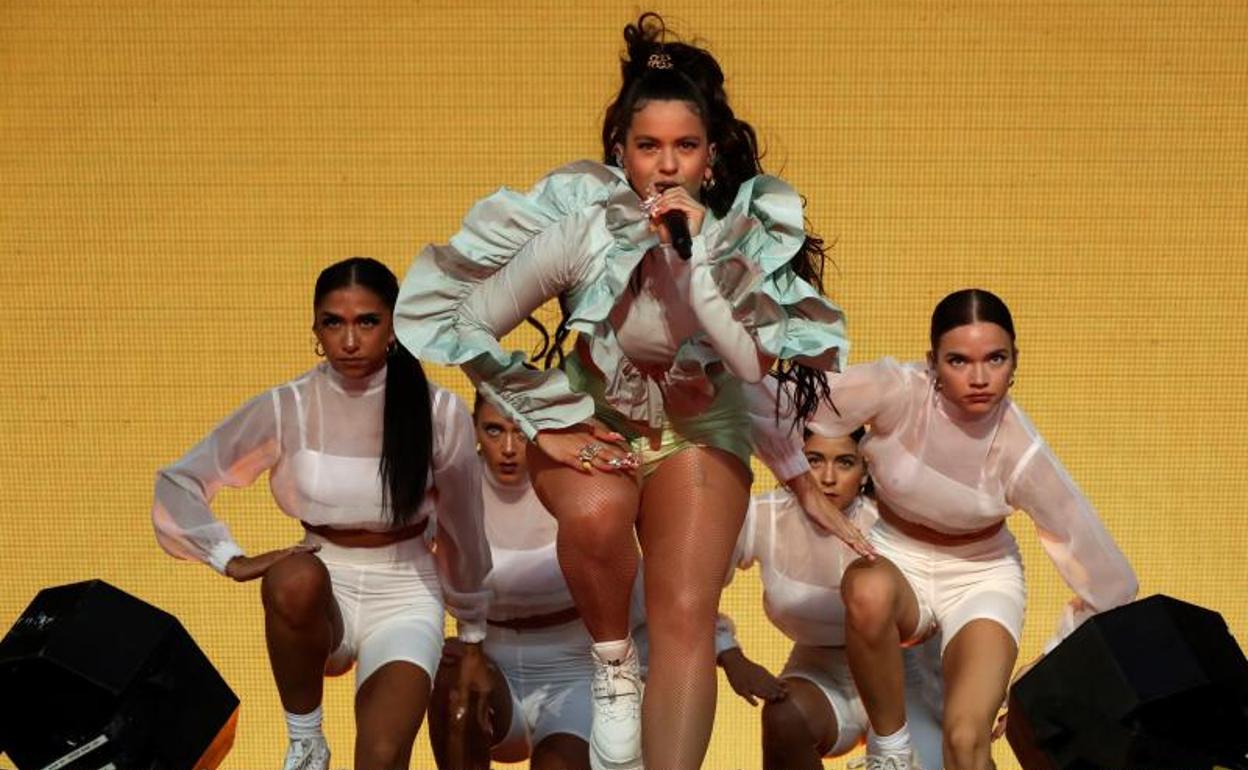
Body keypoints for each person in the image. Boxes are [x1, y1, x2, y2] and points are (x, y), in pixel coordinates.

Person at [394, 14, 865, 769]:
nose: (667, 166)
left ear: (709, 160)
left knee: (685, 616)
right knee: (597, 510)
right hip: (594, 418)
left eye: (685, 147)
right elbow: (454, 319)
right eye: (649, 147)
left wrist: (700, 252)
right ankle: (614, 667)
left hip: (701, 429)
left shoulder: (737, 241)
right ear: (623, 153)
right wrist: (543, 422)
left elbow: (748, 367)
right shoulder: (584, 231)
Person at [152, 257, 492, 770]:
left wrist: (471, 637)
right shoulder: (287, 406)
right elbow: (179, 481)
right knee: (293, 577)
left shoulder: (439, 412)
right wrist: (228, 557)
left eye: (367, 322)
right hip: (322, 589)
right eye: (334, 322)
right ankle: (305, 741)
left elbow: (465, 527)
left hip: (404, 592)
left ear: (395, 327)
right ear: (316, 329)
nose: (350, 341)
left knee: (380, 758)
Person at [781, 288, 1137, 770]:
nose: (978, 378)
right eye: (958, 361)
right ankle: (890, 752)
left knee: (967, 741)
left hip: (980, 577)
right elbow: (791, 407)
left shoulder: (1022, 452)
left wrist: (1045, 664)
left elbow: (1111, 581)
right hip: (897, 558)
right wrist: (805, 491)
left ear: (1015, 361)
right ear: (932, 363)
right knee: (866, 589)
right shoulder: (899, 390)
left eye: (995, 359)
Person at [715, 426, 944, 770]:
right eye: (814, 461)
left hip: (904, 677)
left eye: (845, 463)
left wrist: (970, 699)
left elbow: (952, 602)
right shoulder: (763, 517)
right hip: (820, 672)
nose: (827, 478)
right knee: (783, 719)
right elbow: (688, 589)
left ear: (865, 470)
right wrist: (729, 655)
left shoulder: (893, 523)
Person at [429, 395, 592, 770]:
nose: (507, 448)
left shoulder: (577, 490)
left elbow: (640, 580)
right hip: (489, 663)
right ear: (473, 429)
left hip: (571, 672)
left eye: (521, 433)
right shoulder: (450, 488)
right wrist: (428, 639)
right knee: (450, 686)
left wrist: (722, 647)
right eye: (494, 430)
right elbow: (406, 566)